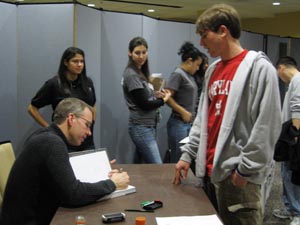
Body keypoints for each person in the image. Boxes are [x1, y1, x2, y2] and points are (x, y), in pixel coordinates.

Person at [173, 4, 282, 225]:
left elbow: (267, 126)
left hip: (239, 177)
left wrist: (245, 170)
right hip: (210, 175)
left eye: (205, 36)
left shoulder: (260, 69)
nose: (201, 44)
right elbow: (203, 120)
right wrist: (188, 155)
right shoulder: (213, 70)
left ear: (223, 30)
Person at [0, 98, 130, 225]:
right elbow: (73, 194)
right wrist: (112, 184)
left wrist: (99, 170)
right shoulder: (51, 143)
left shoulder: (45, 135)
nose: (89, 132)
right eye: (87, 125)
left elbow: (62, 176)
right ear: (71, 119)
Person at [28, 46, 96, 152]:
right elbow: (32, 108)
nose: (79, 65)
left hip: (86, 140)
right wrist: (49, 128)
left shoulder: (87, 83)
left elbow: (92, 105)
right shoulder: (54, 84)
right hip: (65, 141)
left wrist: (89, 124)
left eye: (82, 61)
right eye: (75, 61)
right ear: (66, 62)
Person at [122, 36, 171, 164]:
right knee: (157, 166)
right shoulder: (132, 74)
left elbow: (144, 97)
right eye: (137, 53)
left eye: (144, 52)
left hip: (148, 125)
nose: (141, 56)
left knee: (140, 167)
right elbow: (144, 104)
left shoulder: (140, 72)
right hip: (141, 127)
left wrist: (156, 95)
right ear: (130, 53)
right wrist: (164, 100)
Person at [272, 56, 300, 225]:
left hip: (293, 136)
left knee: (291, 174)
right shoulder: (294, 82)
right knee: (286, 172)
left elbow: (298, 107)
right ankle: (290, 208)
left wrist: (294, 134)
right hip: (291, 134)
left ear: (281, 68)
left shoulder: (297, 80)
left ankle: (296, 212)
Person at [165, 42, 203, 163]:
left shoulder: (189, 76)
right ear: (189, 61)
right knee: (178, 158)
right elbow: (167, 97)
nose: (197, 68)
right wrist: (183, 112)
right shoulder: (178, 74)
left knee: (185, 158)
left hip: (187, 124)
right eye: (197, 65)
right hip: (178, 123)